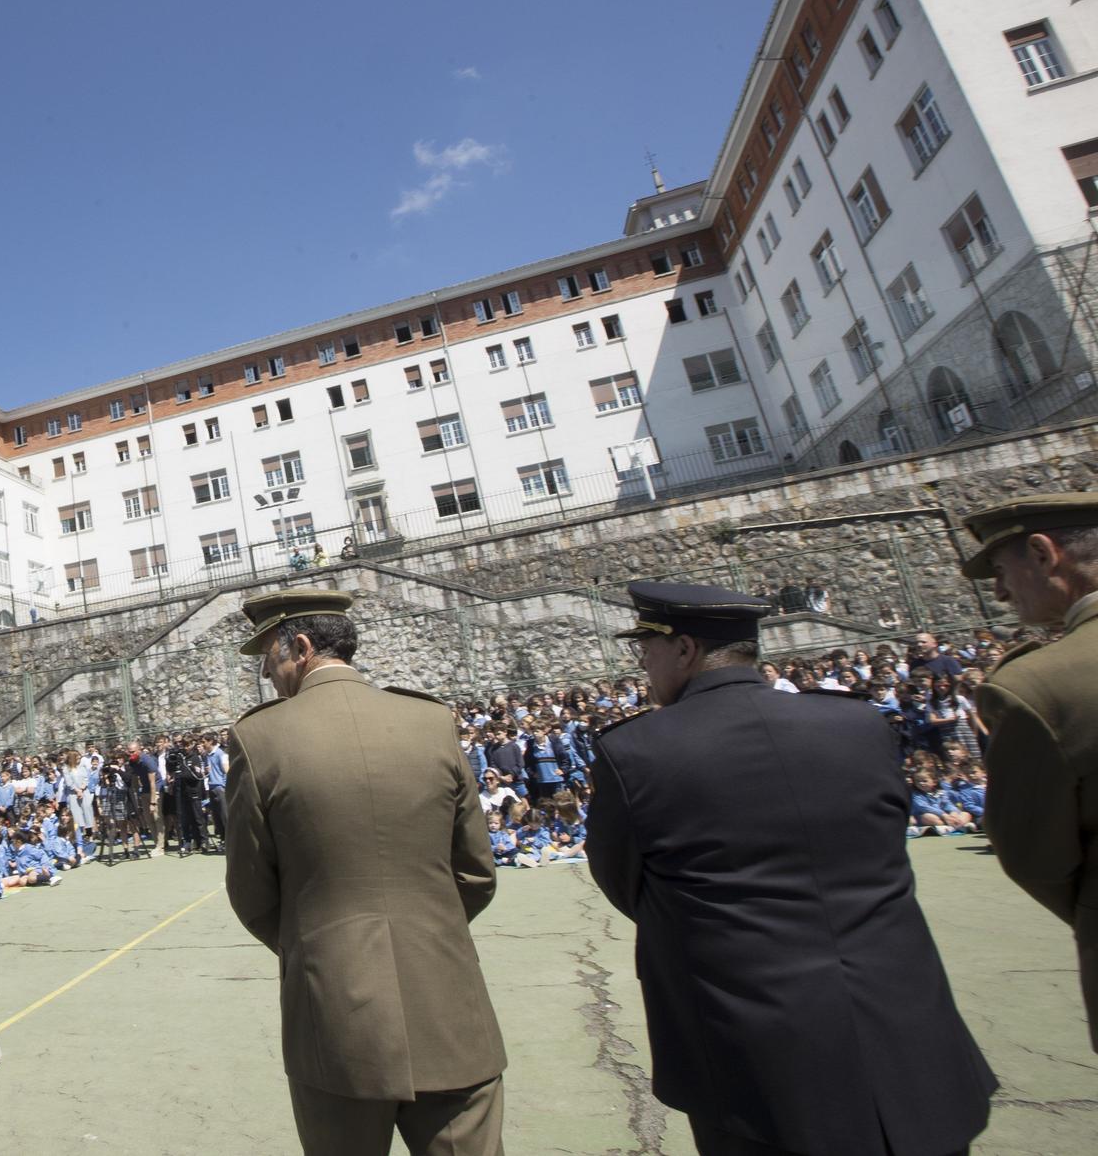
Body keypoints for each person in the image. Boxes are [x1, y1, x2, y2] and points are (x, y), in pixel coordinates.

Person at [587, 581, 994, 1156]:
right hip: (907, 1032)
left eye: (645, 649)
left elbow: (626, 883)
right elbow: (884, 844)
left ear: (683, 650)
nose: (642, 664)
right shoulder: (859, 725)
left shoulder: (634, 751)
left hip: (753, 1054)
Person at [223, 588, 505, 1156]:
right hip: (448, 1001)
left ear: (300, 648)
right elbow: (475, 873)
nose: (267, 674)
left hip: (333, 1013)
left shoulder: (259, 738)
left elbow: (252, 892)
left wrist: (321, 946)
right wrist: (429, 931)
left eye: (268, 659)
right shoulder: (430, 721)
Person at [958, 493, 1098, 1049]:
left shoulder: (1036, 687)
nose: (998, 590)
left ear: (1043, 554)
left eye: (999, 568)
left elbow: (1035, 857)